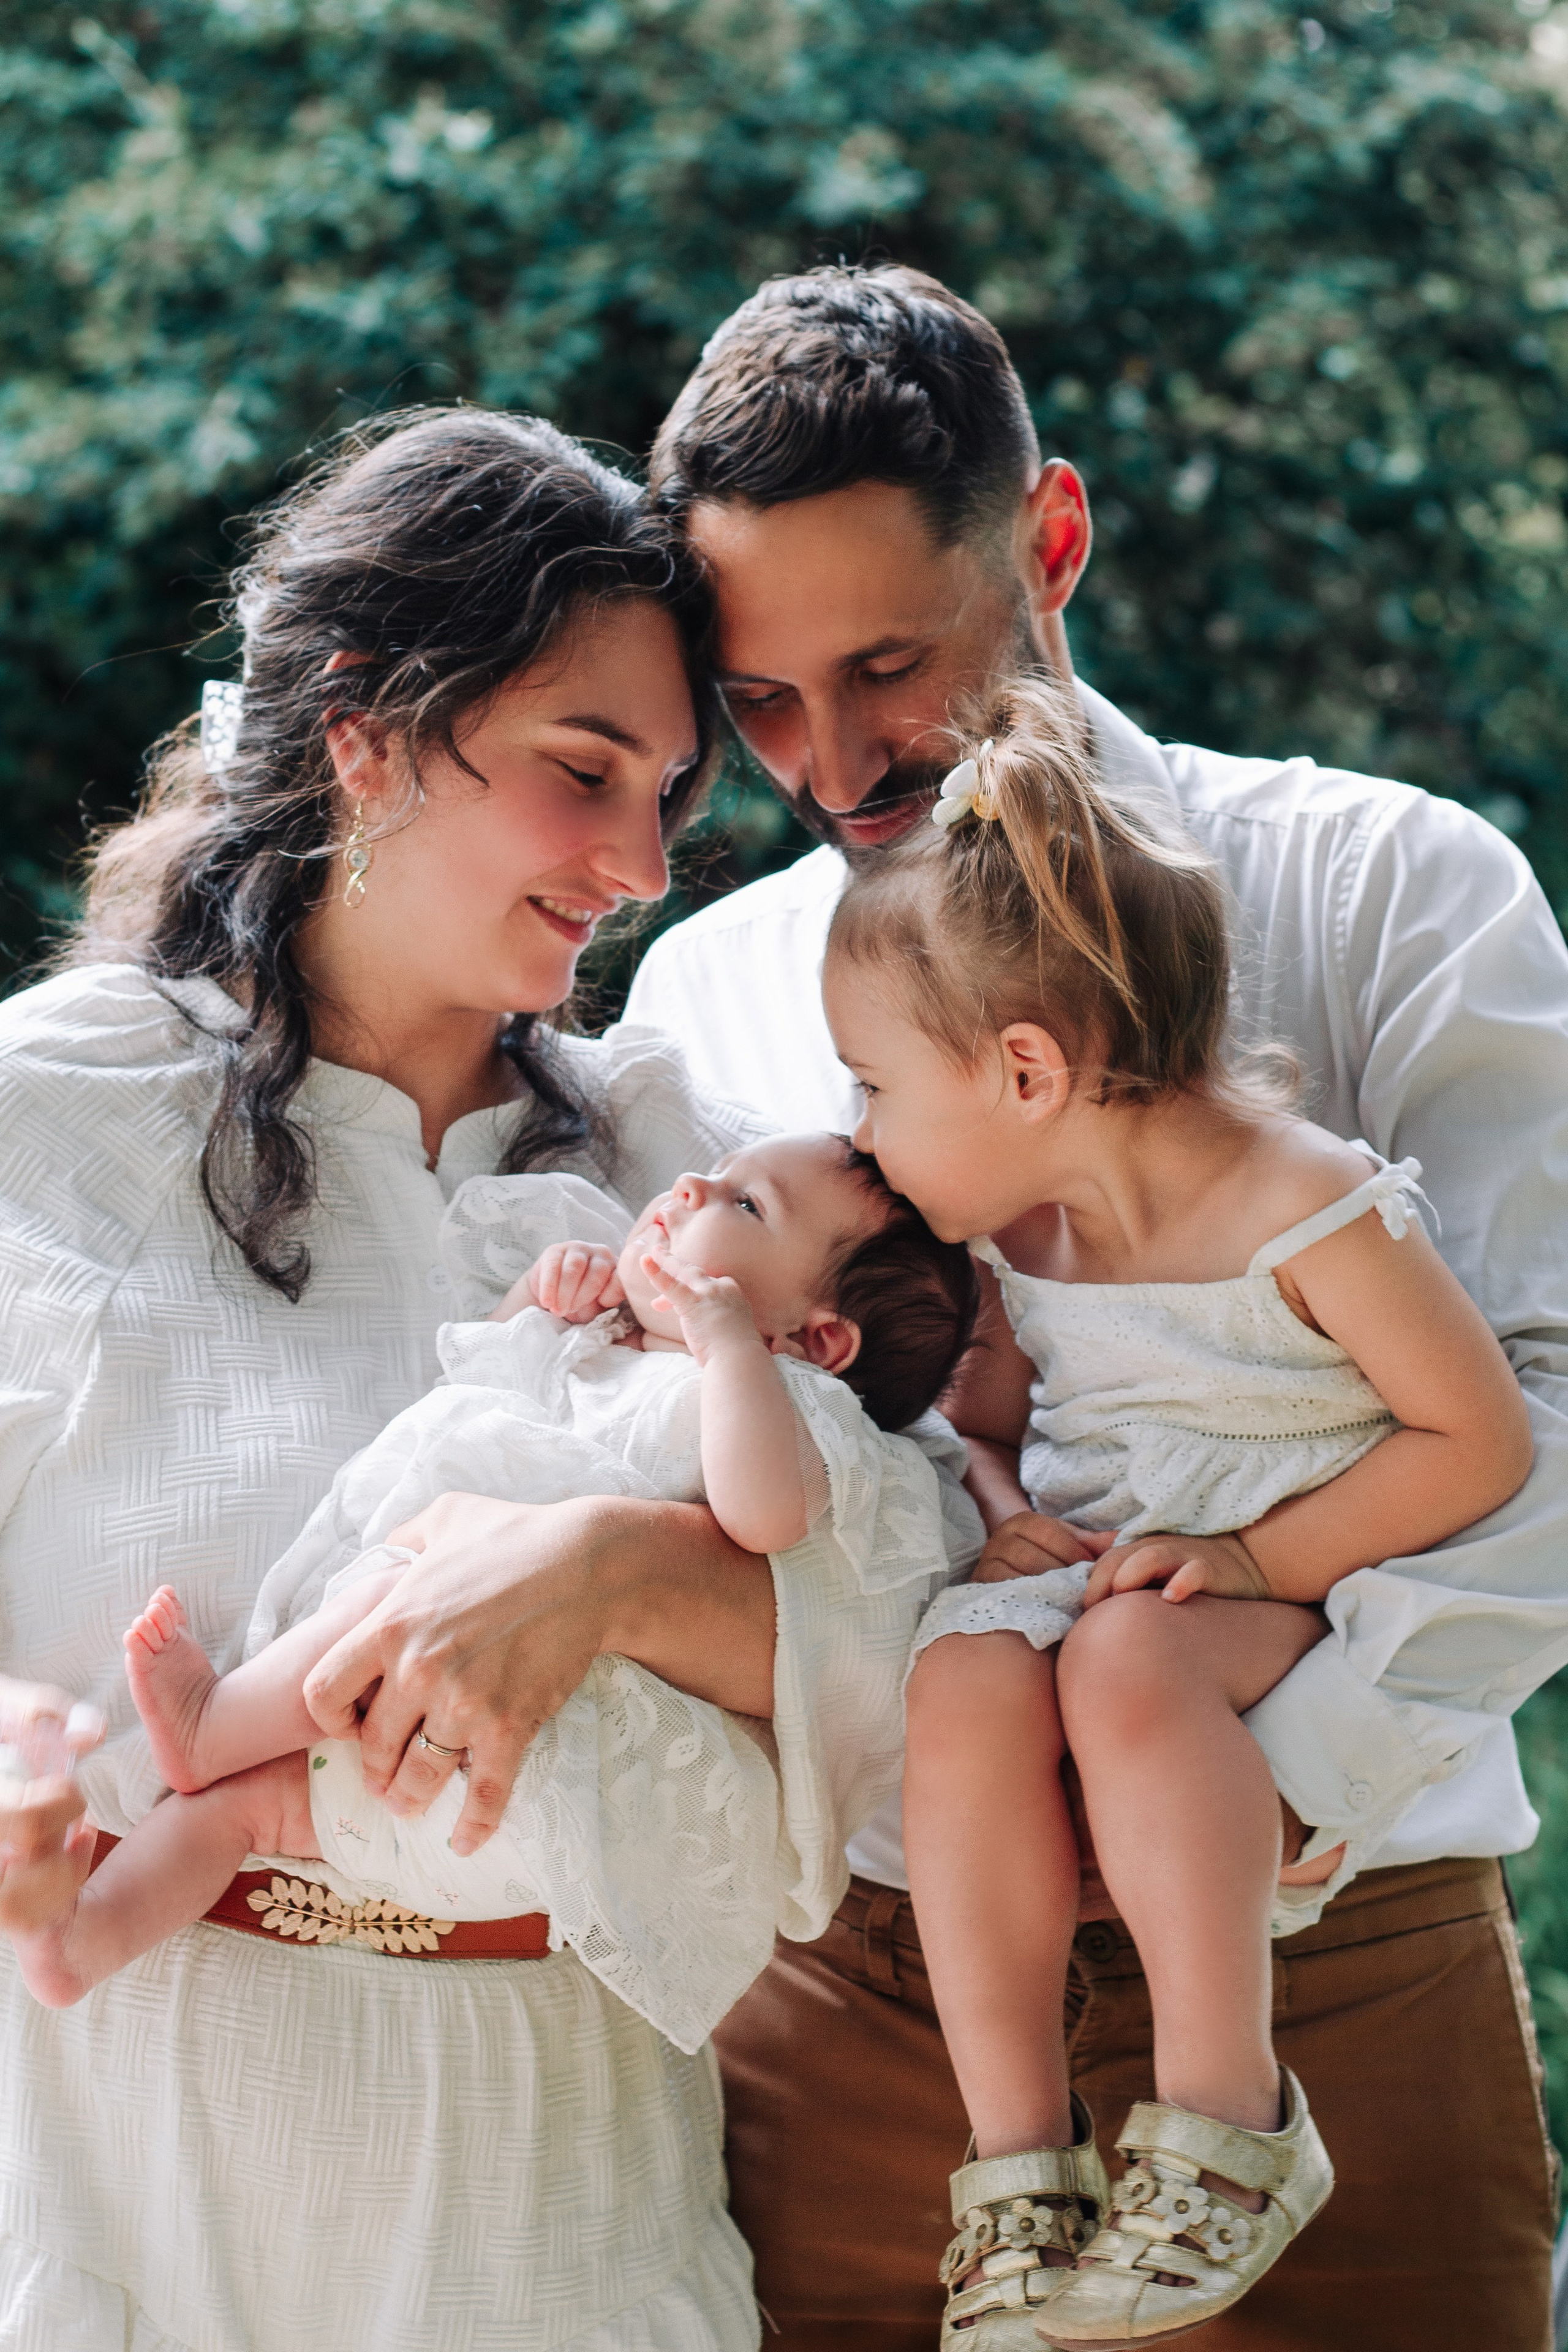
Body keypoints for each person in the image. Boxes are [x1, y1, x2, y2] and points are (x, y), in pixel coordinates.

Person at [624, 263, 1568, 2347]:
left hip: (1352, 1967)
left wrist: (1219, 1798)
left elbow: (1544, 1426)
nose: (835, 759)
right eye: (764, 701)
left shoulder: (1393, 892)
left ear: (1048, 540)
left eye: (889, 663)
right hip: (858, 2020)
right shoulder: (703, 998)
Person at [0, 405, 981, 2352]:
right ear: (365, 729)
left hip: (562, 2178)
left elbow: (889, 1641)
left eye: (675, 793)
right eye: (582, 770)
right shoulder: (51, 1114)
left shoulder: (676, 1165)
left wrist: (609, 1565)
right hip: (137, 2144)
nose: (639, 863)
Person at [821, 682, 1532, 2345]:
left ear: (1022, 1068)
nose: (861, 1131)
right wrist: (987, 1475)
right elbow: (1022, 1421)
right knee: (968, 1671)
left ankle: (1231, 2127)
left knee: (1133, 1665)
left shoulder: (1307, 1204)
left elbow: (1478, 1439)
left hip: (1280, 1573)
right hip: (1122, 1574)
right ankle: (1019, 2171)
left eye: (872, 1089)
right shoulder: (1026, 1235)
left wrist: (1256, 1560)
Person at [7, 1135, 975, 2054]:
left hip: (532, 1759)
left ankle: (213, 1721)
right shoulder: (604, 1343)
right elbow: (478, 1377)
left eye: (745, 1204)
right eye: (711, 1172)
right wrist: (539, 1299)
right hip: (427, 1798)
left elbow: (765, 1519)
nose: (687, 1190)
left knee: (413, 1577)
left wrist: (728, 1349)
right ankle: (77, 1944)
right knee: (239, 1816)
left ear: (821, 1338)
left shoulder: (786, 1404)